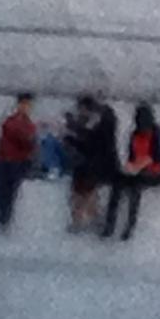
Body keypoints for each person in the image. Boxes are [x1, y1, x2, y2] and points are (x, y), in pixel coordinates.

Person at [102, 103, 160, 241]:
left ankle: (130, 226)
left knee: (136, 189)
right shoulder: (134, 134)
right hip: (137, 168)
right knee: (117, 184)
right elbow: (132, 155)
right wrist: (129, 166)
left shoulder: (156, 135)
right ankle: (109, 224)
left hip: (153, 170)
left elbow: (157, 157)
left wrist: (140, 166)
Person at [66, 96, 119, 233]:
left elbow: (92, 144)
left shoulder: (100, 124)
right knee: (82, 187)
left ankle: (84, 218)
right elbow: (89, 144)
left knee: (86, 188)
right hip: (94, 163)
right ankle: (85, 218)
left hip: (98, 164)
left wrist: (73, 135)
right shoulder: (99, 123)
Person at [0, 94, 38, 230]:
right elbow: (19, 137)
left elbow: (29, 144)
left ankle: (5, 219)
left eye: (28, 105)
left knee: (10, 192)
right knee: (2, 192)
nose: (25, 108)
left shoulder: (29, 125)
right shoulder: (11, 121)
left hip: (16, 162)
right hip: (4, 161)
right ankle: (2, 218)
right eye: (23, 104)